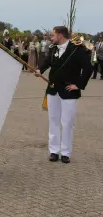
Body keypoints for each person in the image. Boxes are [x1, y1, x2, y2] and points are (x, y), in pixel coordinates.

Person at [35, 26, 92, 163]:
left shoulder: (77, 49)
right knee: (53, 121)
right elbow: (48, 61)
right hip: (53, 89)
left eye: (53, 35)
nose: (51, 38)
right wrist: (39, 70)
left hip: (69, 91)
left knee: (67, 123)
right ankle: (54, 151)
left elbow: (88, 68)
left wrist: (78, 85)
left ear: (60, 35)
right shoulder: (54, 48)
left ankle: (66, 152)